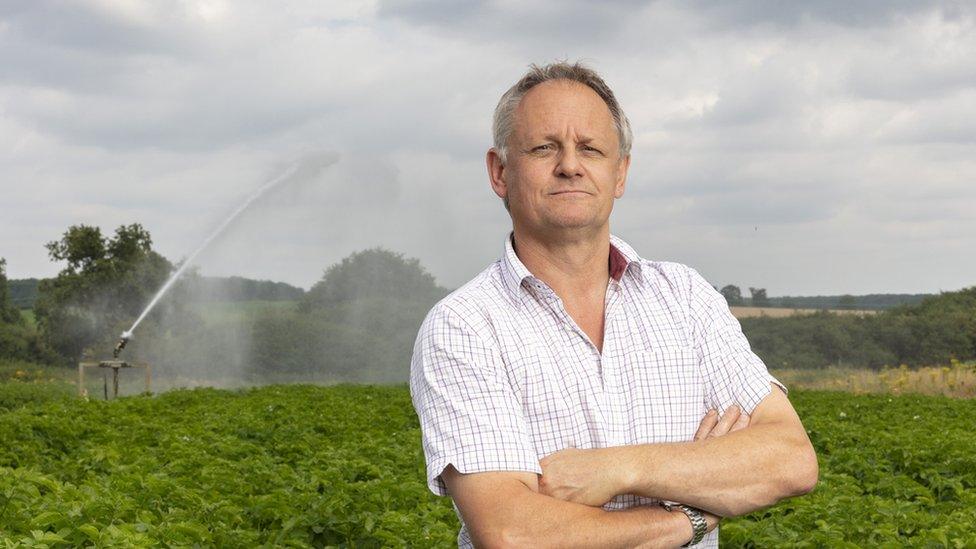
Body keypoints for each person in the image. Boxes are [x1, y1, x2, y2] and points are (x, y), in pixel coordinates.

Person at [409, 61, 818, 548]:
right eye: (544, 148)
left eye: (591, 148)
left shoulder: (685, 297)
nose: (570, 164)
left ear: (619, 172)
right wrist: (691, 514)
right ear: (500, 172)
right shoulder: (464, 327)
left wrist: (618, 468)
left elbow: (789, 460)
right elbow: (513, 534)